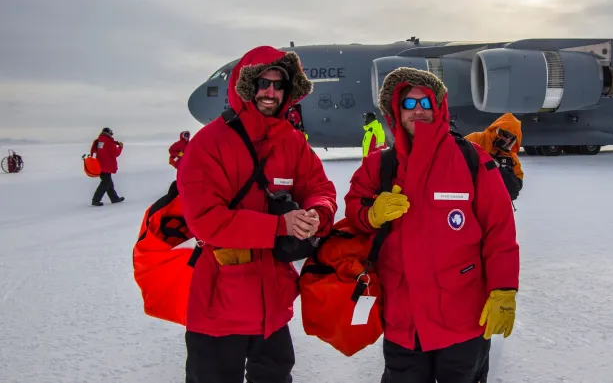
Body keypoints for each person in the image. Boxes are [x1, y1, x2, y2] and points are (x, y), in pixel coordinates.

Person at [344, 67, 519, 383]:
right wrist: (370, 214)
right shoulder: (380, 165)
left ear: (439, 107)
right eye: (409, 104)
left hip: (464, 318)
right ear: (396, 112)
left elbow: (500, 229)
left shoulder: (471, 159)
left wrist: (503, 289)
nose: (419, 110)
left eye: (426, 102)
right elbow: (354, 209)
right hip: (404, 322)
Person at [177, 45, 338, 383]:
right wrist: (280, 225)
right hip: (220, 308)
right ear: (246, 87)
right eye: (263, 82)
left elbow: (321, 188)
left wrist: (316, 213)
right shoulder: (209, 143)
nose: (271, 92)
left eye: (279, 85)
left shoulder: (292, 142)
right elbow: (205, 219)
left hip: (272, 307)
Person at [465, 113, 524, 201]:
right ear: (498, 130)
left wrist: (501, 170)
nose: (508, 140)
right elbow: (455, 158)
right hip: (471, 197)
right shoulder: (475, 139)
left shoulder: (510, 156)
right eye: (507, 135)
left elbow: (517, 183)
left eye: (512, 138)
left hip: (495, 201)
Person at [90, 127, 124, 206]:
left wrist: (115, 143)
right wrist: (120, 147)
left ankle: (114, 198)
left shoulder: (99, 141)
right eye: (111, 133)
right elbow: (116, 153)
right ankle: (96, 200)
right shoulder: (109, 142)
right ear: (109, 133)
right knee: (105, 183)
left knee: (108, 183)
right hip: (106, 166)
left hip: (99, 165)